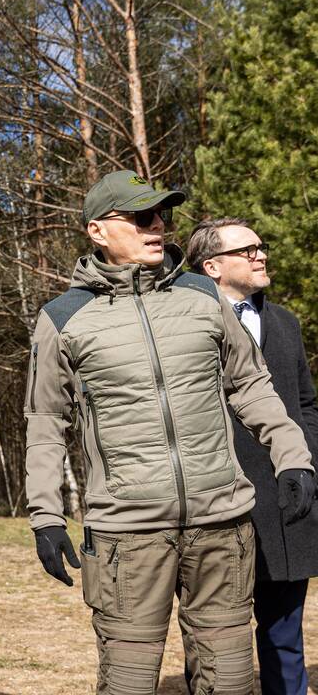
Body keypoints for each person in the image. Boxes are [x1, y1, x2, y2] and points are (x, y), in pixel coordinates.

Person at [24, 170, 315, 694]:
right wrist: (46, 516)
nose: (157, 225)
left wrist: (293, 457)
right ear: (97, 231)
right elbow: (46, 423)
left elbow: (251, 385)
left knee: (229, 684)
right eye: (140, 217)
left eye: (161, 214)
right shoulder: (63, 318)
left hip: (221, 527)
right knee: (129, 684)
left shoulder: (202, 295)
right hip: (127, 537)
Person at [187, 219, 318, 695]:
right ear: (213, 266)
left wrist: (307, 464)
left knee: (285, 634)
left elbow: (306, 403)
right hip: (218, 501)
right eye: (248, 250)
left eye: (262, 246)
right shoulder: (186, 322)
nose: (261, 255)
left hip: (287, 504)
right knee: (213, 637)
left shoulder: (284, 321)